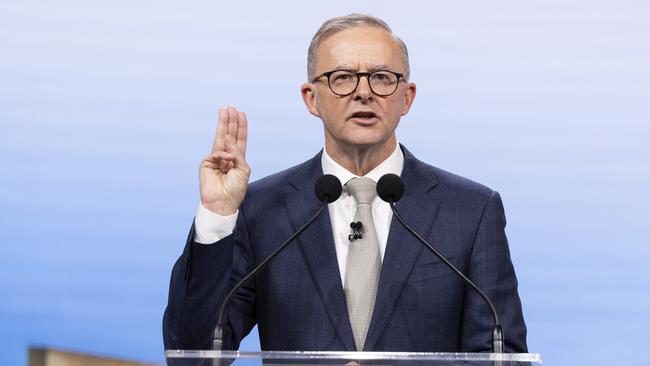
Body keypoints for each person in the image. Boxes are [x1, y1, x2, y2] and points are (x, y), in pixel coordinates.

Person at [163, 13, 527, 353]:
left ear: (407, 97)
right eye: (342, 78)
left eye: (382, 77)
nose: (364, 92)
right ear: (311, 98)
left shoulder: (470, 210)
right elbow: (195, 353)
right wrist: (218, 216)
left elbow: (499, 355)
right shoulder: (261, 209)